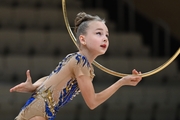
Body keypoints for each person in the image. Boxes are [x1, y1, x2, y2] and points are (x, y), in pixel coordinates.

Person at [10, 12, 142, 120]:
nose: (105, 38)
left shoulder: (74, 58)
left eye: (107, 34)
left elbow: (50, 78)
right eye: (99, 33)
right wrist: (121, 82)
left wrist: (34, 86)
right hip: (39, 112)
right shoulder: (81, 61)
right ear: (83, 39)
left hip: (37, 109)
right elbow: (92, 102)